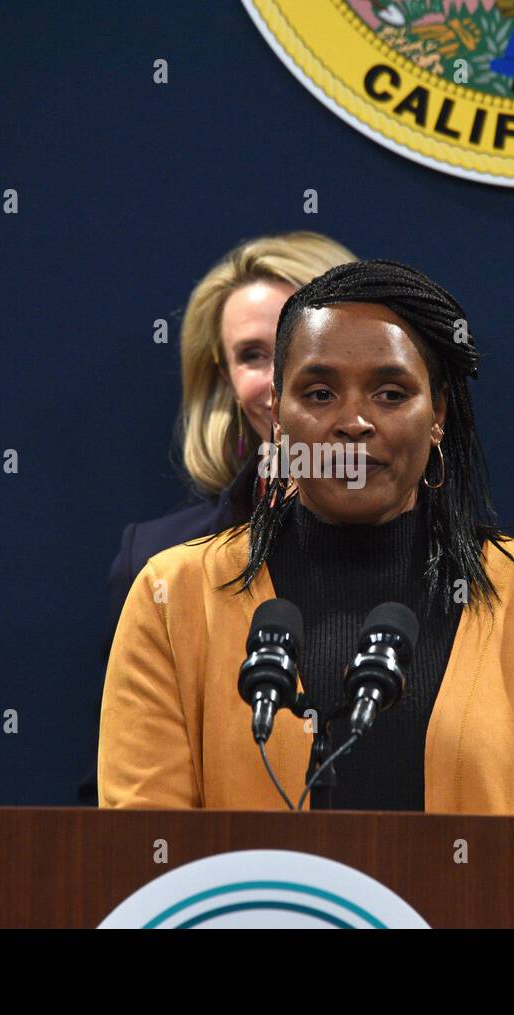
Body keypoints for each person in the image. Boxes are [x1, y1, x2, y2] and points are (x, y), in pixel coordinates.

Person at [98, 260, 514, 815]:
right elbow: (146, 856)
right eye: (320, 392)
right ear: (277, 416)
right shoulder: (172, 595)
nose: (354, 420)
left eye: (391, 393)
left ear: (438, 415)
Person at [79, 231, 356, 802]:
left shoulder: (466, 561)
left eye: (299, 341)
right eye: (253, 355)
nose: (282, 379)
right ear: (225, 380)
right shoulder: (158, 567)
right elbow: (127, 792)